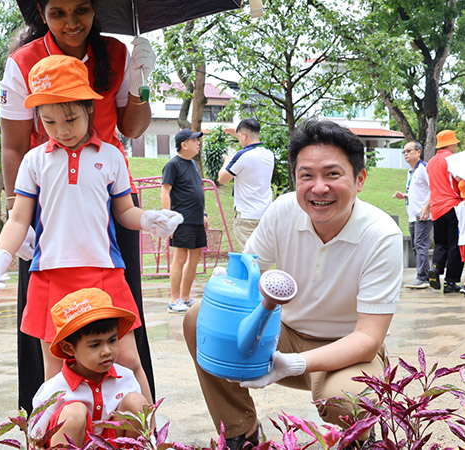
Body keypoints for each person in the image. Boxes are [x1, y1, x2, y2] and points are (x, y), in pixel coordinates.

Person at [0, 55, 182, 403]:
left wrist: (148, 219)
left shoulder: (111, 156)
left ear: (89, 108)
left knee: (129, 361)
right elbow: (19, 219)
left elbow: (124, 211)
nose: (62, 130)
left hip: (104, 272)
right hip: (50, 276)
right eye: (49, 121)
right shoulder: (34, 161)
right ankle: (61, 431)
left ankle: (148, 430)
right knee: (56, 375)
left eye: (70, 118)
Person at [184, 120, 402, 449]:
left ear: (360, 179)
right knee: (199, 318)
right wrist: (225, 288)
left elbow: (368, 338)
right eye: (307, 175)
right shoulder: (283, 210)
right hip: (280, 336)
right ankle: (240, 431)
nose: (319, 188)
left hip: (347, 352)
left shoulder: (381, 235)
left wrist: (298, 363)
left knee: (349, 401)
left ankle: (359, 438)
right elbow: (246, 275)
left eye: (332, 174)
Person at [0, 0, 157, 413]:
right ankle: (50, 424)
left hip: (109, 193)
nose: (71, 22)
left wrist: (140, 84)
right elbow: (14, 146)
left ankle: (134, 419)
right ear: (42, 12)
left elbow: (132, 128)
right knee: (46, 329)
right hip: (47, 201)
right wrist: (19, 215)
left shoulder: (116, 54)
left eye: (81, 10)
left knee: (121, 323)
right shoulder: (23, 62)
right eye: (58, 13)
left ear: (95, 8)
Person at [30, 288, 148, 448]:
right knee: (74, 413)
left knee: (137, 403)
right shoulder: (54, 390)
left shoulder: (126, 378)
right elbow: (34, 440)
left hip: (113, 442)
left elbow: (145, 425)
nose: (107, 351)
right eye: (95, 345)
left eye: (112, 340)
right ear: (68, 348)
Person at [161, 129, 209, 313]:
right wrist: (168, 219)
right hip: (181, 219)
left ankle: (186, 297)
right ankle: (174, 300)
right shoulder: (173, 164)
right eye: (194, 140)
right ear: (184, 144)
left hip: (196, 219)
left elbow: (197, 191)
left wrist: (204, 214)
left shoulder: (193, 164)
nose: (198, 143)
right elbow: (165, 191)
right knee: (180, 257)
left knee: (195, 257)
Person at [217, 118, 275, 250]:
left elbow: (222, 179)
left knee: (251, 256)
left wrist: (227, 161)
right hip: (265, 214)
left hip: (247, 217)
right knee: (263, 254)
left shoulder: (242, 156)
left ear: (244, 136)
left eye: (239, 137)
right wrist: (238, 134)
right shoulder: (269, 154)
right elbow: (250, 150)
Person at [426, 130, 464, 293]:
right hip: (452, 206)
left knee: (441, 243)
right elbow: (459, 181)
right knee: (456, 244)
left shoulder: (430, 163)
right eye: (455, 143)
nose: (455, 146)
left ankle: (436, 267)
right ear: (451, 143)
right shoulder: (452, 160)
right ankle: (450, 281)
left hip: (436, 209)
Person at [392, 141, 432, 289]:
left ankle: (423, 277)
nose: (406, 154)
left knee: (420, 245)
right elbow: (416, 191)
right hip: (412, 215)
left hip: (423, 215)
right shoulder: (410, 172)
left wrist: (427, 208)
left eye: (409, 151)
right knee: (416, 246)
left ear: (418, 152)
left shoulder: (424, 168)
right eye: (404, 152)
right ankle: (423, 276)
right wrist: (404, 195)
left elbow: (434, 189)